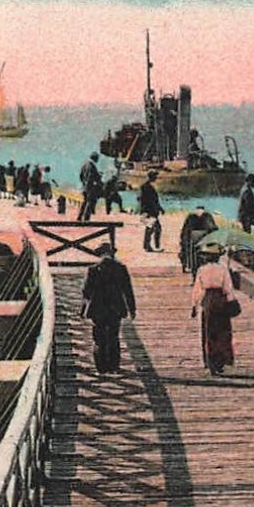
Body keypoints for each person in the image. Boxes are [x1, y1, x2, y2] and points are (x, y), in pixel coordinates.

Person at [81, 243, 136, 374]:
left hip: (97, 309)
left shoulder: (93, 269)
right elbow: (128, 290)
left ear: (100, 254)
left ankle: (101, 367)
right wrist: (132, 309)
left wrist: (83, 309)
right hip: (115, 308)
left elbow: (86, 292)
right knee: (113, 336)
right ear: (112, 254)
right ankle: (114, 366)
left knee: (99, 338)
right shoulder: (121, 268)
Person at [191, 249, 240, 375]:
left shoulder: (202, 269)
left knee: (208, 331)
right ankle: (221, 361)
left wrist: (194, 305)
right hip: (220, 299)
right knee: (222, 331)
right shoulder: (223, 269)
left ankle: (209, 361)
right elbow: (228, 288)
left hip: (208, 299)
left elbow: (197, 289)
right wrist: (231, 302)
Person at [179, 205, 218, 274]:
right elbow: (213, 228)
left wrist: (183, 239)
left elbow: (185, 229)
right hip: (204, 237)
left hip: (192, 238)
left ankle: (191, 268)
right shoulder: (207, 216)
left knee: (193, 255)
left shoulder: (191, 216)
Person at [139, 171, 165, 252]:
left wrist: (160, 208)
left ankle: (148, 246)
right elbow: (151, 200)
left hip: (149, 210)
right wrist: (158, 208)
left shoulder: (146, 186)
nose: (156, 178)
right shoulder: (147, 187)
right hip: (150, 211)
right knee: (155, 228)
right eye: (155, 176)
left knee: (151, 228)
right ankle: (151, 246)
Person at [77, 154, 103, 222]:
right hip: (90, 187)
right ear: (95, 158)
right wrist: (98, 179)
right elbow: (92, 177)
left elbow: (81, 175)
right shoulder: (92, 167)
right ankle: (86, 219)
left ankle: (79, 217)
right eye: (97, 158)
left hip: (84, 187)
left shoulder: (85, 165)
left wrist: (84, 183)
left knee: (85, 202)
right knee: (90, 202)